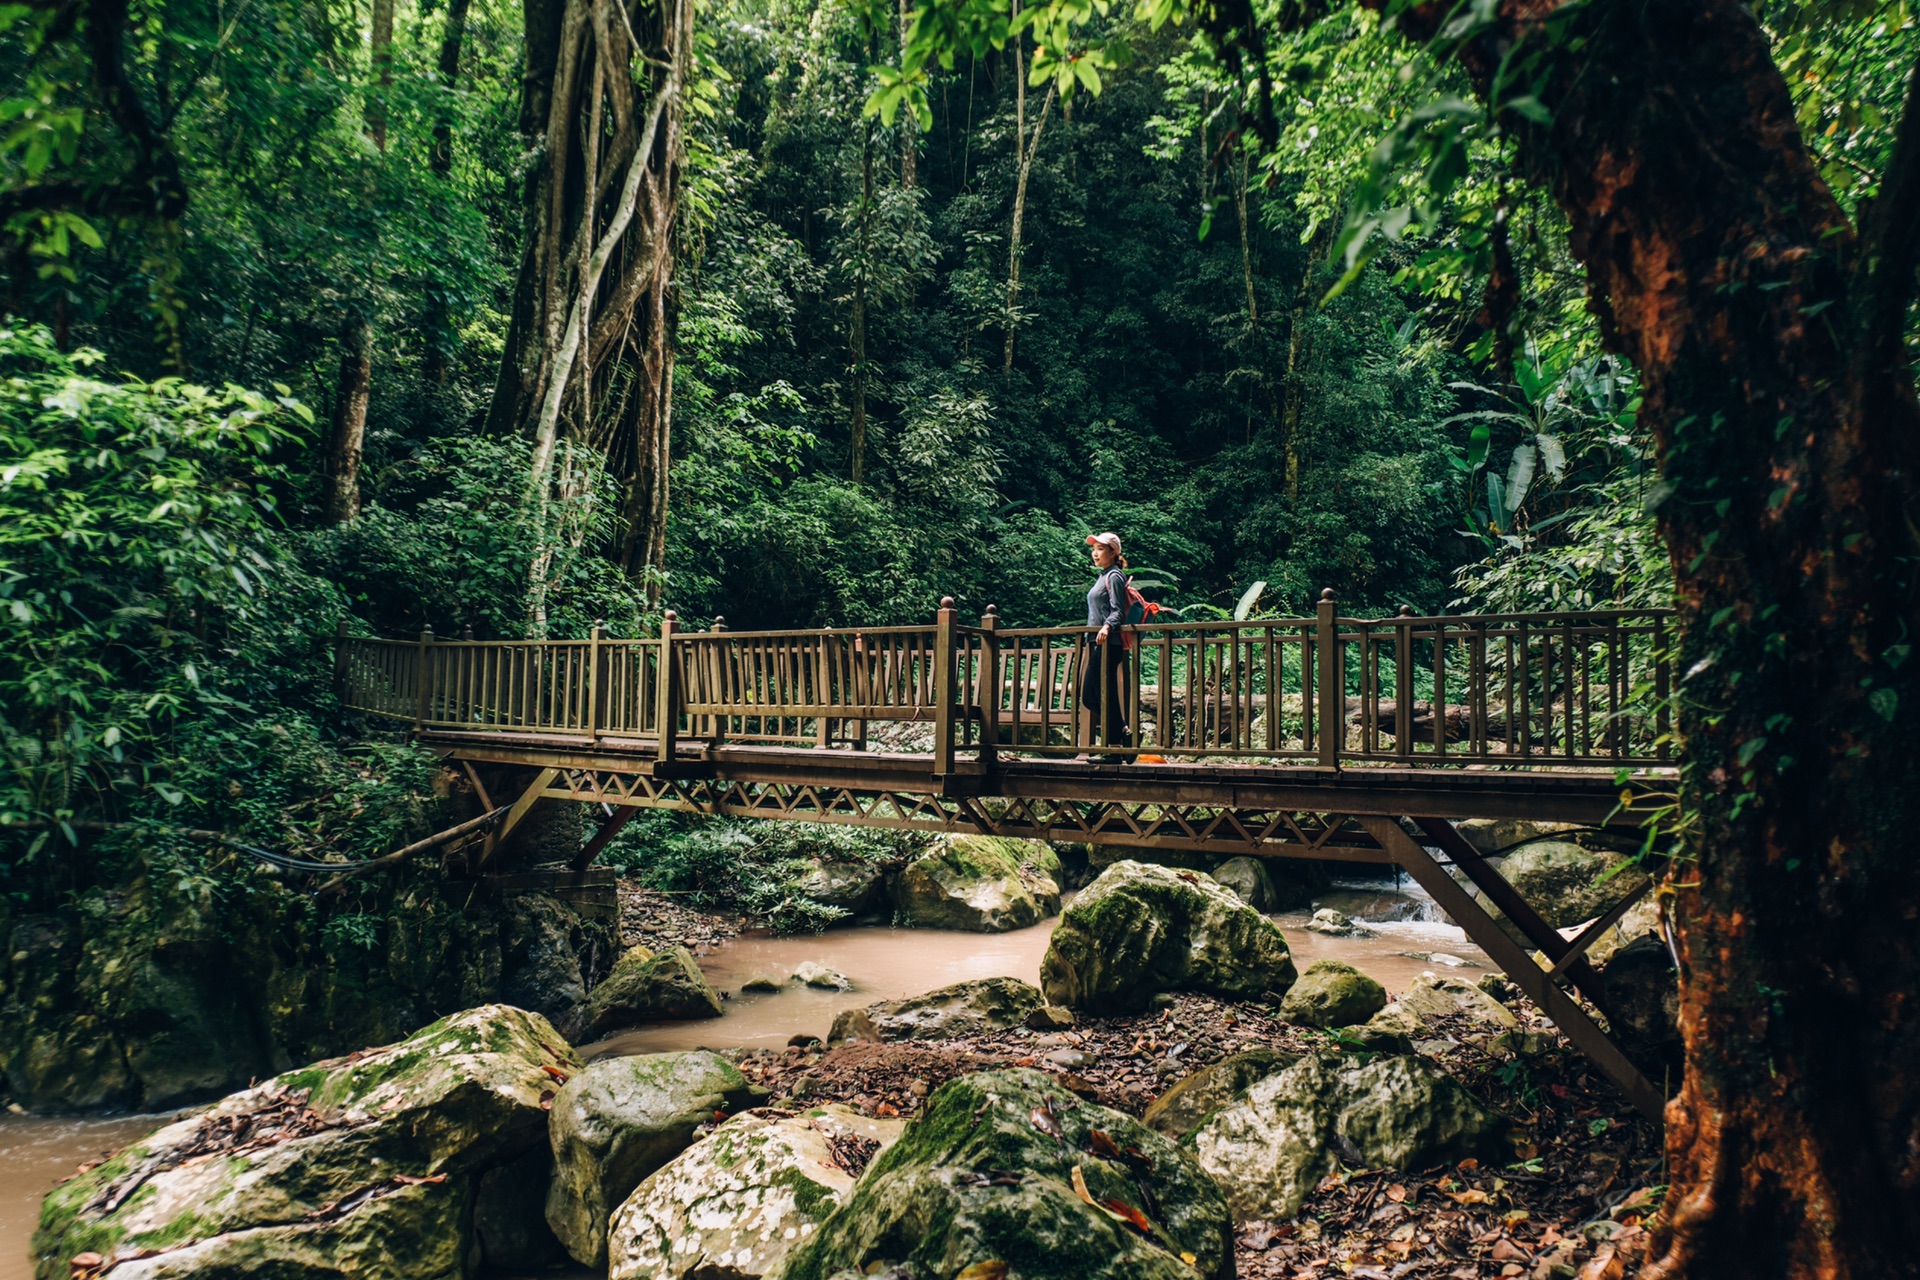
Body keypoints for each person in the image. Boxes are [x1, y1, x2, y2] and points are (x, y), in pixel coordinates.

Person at [1082, 532, 1133, 759]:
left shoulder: (1114, 576)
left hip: (1108, 642)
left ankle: (1119, 736)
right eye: (1094, 549)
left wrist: (1106, 627)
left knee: (1091, 696)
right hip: (1099, 642)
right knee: (1106, 695)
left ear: (1113, 552)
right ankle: (1119, 741)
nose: (1095, 553)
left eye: (1101, 548)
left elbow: (1117, 610)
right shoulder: (1103, 576)